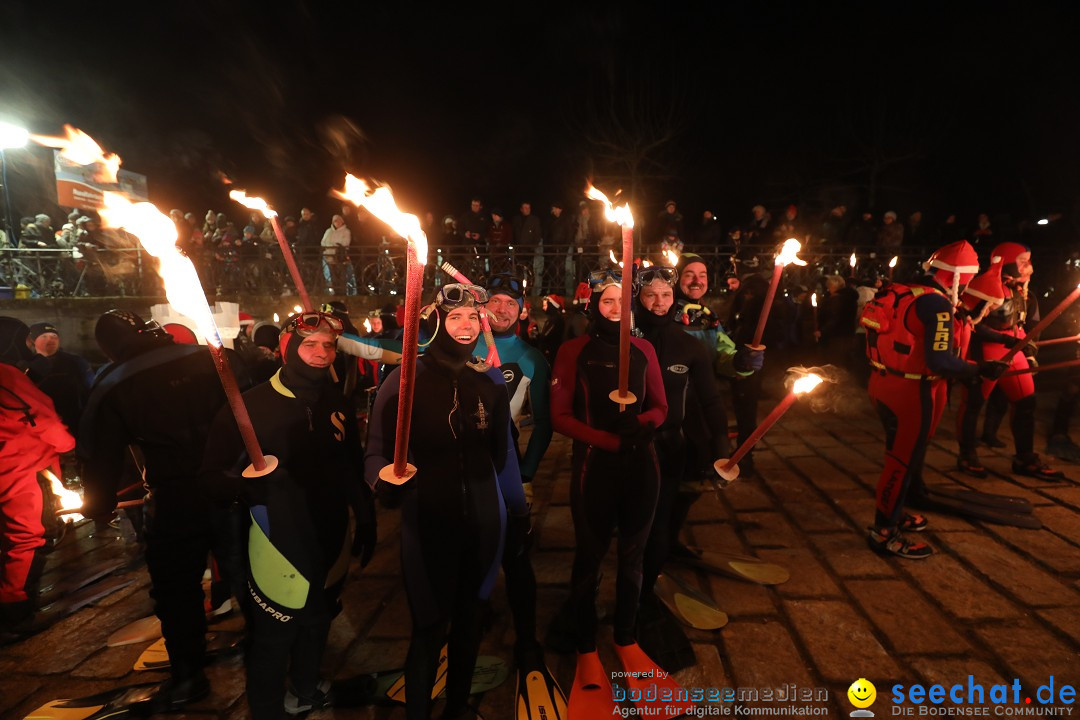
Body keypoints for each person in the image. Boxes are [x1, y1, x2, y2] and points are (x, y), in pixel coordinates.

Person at [202, 311, 374, 719]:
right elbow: (208, 476)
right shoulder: (250, 406)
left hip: (330, 531)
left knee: (319, 619)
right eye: (309, 344)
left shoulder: (336, 400)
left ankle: (305, 689)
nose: (321, 353)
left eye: (328, 345)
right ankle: (265, 710)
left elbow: (349, 463)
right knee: (274, 635)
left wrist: (366, 515)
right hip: (276, 536)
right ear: (287, 350)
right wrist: (245, 487)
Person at [366, 284, 525, 720]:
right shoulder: (404, 378)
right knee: (429, 628)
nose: (466, 326)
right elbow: (376, 451)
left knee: (471, 625)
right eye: (455, 317)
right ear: (436, 322)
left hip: (483, 521)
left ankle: (457, 710)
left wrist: (516, 507)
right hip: (428, 521)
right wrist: (385, 481)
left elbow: (500, 454)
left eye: (473, 318)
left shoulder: (488, 380)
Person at [77, 310, 231, 708]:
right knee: (249, 570)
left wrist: (98, 504)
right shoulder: (208, 356)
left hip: (177, 495)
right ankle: (277, 651)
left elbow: (99, 456)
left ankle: (188, 676)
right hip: (235, 483)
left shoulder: (113, 383)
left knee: (176, 588)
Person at [549, 270, 677, 707]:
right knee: (589, 559)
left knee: (633, 559)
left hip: (643, 470)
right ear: (592, 306)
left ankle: (626, 638)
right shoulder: (573, 351)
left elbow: (661, 406)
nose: (616, 308)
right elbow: (560, 416)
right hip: (594, 471)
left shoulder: (643, 349)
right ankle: (587, 648)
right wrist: (610, 440)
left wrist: (640, 425)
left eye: (624, 301)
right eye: (607, 301)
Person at [860, 241, 1006, 558]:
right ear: (959, 277)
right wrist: (979, 369)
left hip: (883, 382)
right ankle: (883, 531)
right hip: (911, 392)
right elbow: (940, 361)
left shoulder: (901, 290)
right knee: (901, 460)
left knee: (900, 455)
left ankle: (895, 512)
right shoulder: (935, 305)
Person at [473, 275, 552, 667]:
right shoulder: (456, 341)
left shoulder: (531, 358)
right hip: (462, 475)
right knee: (468, 552)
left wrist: (526, 473)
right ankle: (474, 615)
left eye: (510, 302)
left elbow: (545, 424)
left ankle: (526, 639)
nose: (501, 308)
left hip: (506, 472)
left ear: (522, 310)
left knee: (516, 559)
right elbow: (388, 350)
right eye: (495, 300)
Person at [0, 319, 75, 640]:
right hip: (22, 471)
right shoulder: (7, 376)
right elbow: (40, 415)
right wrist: (68, 445)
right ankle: (16, 612)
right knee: (29, 537)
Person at [962, 242, 1064, 479]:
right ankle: (967, 454)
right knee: (974, 403)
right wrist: (1004, 341)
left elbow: (1031, 327)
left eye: (1028, 259)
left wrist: (1029, 353)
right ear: (1006, 262)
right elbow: (968, 324)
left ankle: (1025, 458)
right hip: (986, 350)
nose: (1028, 266)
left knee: (1026, 403)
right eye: (1021, 261)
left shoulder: (1025, 293)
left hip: (1015, 350)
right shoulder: (983, 287)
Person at [24, 322, 93, 437]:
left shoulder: (76, 362)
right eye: (44, 336)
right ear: (33, 341)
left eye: (54, 336)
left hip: (73, 423)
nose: (50, 340)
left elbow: (91, 390)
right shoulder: (26, 366)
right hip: (41, 427)